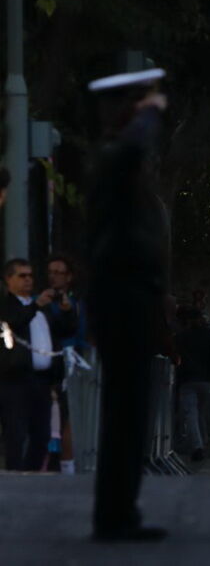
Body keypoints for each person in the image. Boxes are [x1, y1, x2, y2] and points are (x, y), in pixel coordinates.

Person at [87, 67, 170, 542]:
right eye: (140, 102)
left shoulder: (115, 161)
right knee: (125, 411)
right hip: (122, 298)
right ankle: (115, 515)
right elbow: (136, 144)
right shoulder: (116, 156)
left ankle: (120, 510)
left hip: (127, 296)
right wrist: (147, 114)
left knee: (130, 411)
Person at [0, 259, 76, 471]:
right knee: (16, 433)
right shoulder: (8, 305)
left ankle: (32, 474)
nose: (28, 280)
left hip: (42, 381)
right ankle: (15, 474)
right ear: (8, 279)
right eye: (22, 276)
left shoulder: (42, 308)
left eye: (30, 275)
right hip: (15, 381)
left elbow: (65, 331)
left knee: (42, 433)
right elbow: (13, 321)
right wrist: (36, 305)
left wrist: (67, 310)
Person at [46, 254, 87, 475]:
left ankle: (67, 467)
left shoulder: (76, 304)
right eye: (50, 272)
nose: (53, 277)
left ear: (69, 277)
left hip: (70, 367)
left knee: (67, 420)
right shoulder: (43, 301)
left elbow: (80, 335)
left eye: (58, 272)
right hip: (47, 367)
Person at [173, 307, 210, 461]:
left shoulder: (180, 337)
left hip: (188, 381)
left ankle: (198, 446)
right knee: (202, 414)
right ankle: (202, 443)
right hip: (208, 382)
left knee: (191, 414)